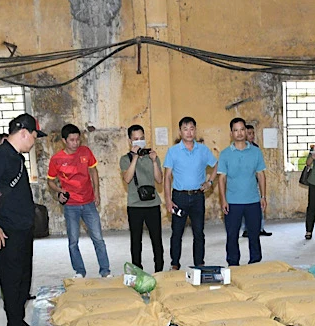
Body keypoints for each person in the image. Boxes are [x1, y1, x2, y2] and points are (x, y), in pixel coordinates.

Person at [0, 113, 47, 326]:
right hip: (7, 230)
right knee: (11, 280)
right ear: (24, 133)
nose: (34, 141)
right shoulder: (2, 154)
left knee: (22, 279)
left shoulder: (16, 156)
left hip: (21, 228)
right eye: (35, 136)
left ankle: (19, 322)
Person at [47, 124, 110, 278]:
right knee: (73, 241)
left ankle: (105, 270)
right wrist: (59, 191)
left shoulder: (86, 152)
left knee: (98, 238)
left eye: (77, 140)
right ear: (64, 140)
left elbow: (93, 171)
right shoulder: (57, 159)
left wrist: (97, 192)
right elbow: (50, 181)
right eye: (72, 140)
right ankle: (79, 271)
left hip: (88, 202)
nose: (75, 143)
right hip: (71, 206)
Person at [163, 116, 217, 269]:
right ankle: (174, 264)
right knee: (177, 233)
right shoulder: (173, 152)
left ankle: (199, 263)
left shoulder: (203, 150)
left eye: (192, 128)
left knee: (199, 232)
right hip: (179, 197)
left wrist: (210, 182)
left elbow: (216, 165)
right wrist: (168, 200)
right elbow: (167, 177)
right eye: (185, 129)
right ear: (180, 132)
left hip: (197, 197)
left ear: (195, 130)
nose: (189, 132)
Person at [218, 118, 267, 266]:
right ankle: (233, 264)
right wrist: (223, 200)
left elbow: (261, 175)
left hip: (253, 201)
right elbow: (222, 179)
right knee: (232, 235)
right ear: (231, 133)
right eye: (236, 130)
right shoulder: (225, 154)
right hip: (233, 202)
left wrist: (263, 196)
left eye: (242, 129)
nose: (239, 133)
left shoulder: (256, 152)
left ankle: (255, 262)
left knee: (254, 234)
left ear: (246, 131)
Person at [120, 124, 164, 272]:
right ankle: (138, 271)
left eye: (142, 138)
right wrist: (135, 158)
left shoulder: (152, 157)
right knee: (136, 241)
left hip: (153, 204)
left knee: (156, 240)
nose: (139, 142)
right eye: (136, 139)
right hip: (135, 205)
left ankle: (159, 271)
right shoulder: (125, 159)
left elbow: (159, 180)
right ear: (130, 141)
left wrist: (153, 161)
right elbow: (127, 178)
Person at [242, 124, 271, 238]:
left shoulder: (256, 148)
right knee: (244, 206)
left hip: (255, 182)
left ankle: (260, 228)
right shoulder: (240, 149)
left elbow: (259, 167)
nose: (252, 136)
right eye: (249, 133)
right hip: (244, 183)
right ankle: (246, 229)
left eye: (253, 133)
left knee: (260, 205)